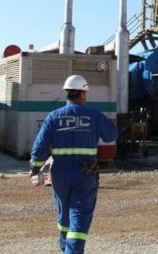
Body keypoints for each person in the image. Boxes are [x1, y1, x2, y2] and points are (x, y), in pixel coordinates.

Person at [30, 74, 119, 254]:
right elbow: (111, 135)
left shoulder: (54, 117)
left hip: (60, 173)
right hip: (85, 172)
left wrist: (34, 168)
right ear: (83, 94)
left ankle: (65, 246)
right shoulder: (94, 116)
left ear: (67, 94)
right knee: (79, 215)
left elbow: (40, 146)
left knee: (64, 214)